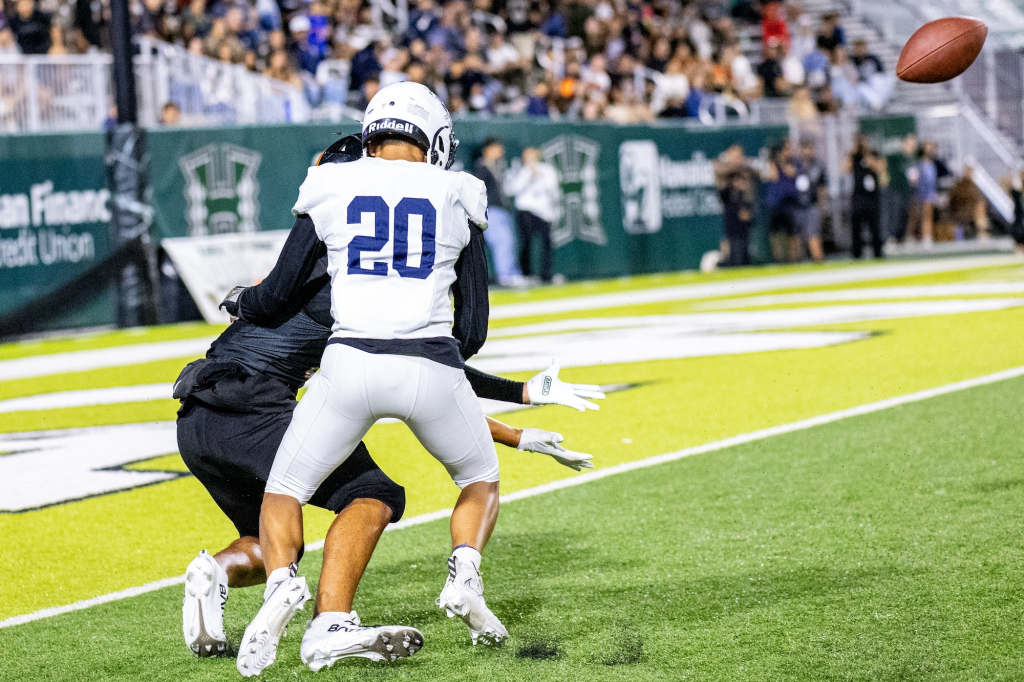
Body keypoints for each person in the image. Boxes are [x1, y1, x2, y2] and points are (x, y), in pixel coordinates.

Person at [177, 137, 599, 668]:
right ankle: (329, 622)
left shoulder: (309, 261)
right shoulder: (350, 276)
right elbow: (427, 367)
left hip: (196, 415)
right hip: (254, 408)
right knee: (372, 496)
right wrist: (520, 399)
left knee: (268, 538)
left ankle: (214, 571)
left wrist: (517, 417)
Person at [472, 137, 525, 287]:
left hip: (502, 209)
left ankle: (512, 273)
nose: (501, 151)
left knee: (509, 243)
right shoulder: (482, 167)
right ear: (488, 149)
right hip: (491, 210)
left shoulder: (499, 166)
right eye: (497, 148)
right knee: (502, 243)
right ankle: (505, 276)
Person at [505, 147, 560, 283]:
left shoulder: (547, 170)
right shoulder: (519, 171)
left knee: (546, 243)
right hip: (526, 210)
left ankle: (547, 275)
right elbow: (513, 190)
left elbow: (553, 188)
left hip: (544, 212)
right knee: (526, 243)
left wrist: (538, 174)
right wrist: (527, 174)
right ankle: (526, 274)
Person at [714, 144, 758, 267]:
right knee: (734, 248)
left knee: (745, 246)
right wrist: (735, 164)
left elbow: (753, 180)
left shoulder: (745, 170)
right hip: (731, 211)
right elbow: (719, 172)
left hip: (744, 210)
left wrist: (749, 208)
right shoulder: (725, 169)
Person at [847, 136, 886, 259]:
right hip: (858, 197)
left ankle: (877, 253)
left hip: (872, 197)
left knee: (875, 226)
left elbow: (881, 169)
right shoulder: (854, 156)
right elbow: (845, 169)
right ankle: (857, 254)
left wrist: (869, 158)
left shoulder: (874, 154)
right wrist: (853, 153)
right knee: (856, 227)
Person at [763, 140, 799, 263]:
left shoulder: (793, 162)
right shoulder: (772, 164)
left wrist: (782, 162)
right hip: (775, 204)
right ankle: (778, 260)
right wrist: (773, 160)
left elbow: (791, 172)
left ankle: (793, 260)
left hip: (789, 203)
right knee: (775, 233)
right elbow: (773, 176)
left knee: (791, 234)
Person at [792, 138, 827, 263]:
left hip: (812, 204)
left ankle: (818, 261)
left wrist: (821, 204)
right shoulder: (795, 164)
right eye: (805, 148)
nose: (807, 151)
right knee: (795, 237)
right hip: (796, 205)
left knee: (814, 235)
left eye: (810, 148)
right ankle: (795, 264)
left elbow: (822, 187)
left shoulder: (818, 165)